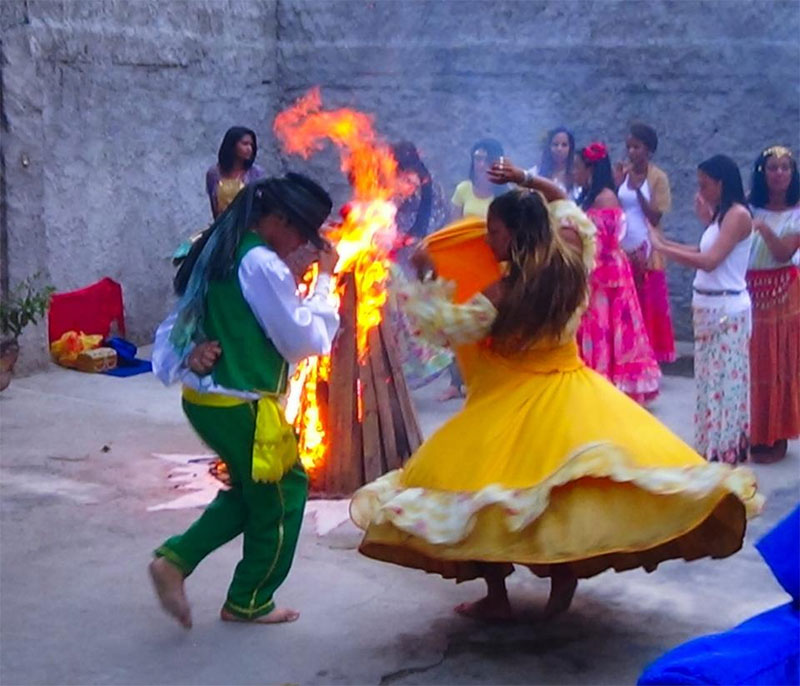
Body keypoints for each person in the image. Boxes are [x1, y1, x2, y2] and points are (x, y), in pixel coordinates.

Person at [351, 180, 761, 622]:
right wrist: (533, 184)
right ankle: (562, 578)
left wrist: (426, 273)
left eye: (493, 231)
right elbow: (570, 213)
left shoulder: (505, 290)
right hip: (571, 389)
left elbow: (445, 328)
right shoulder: (572, 263)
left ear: (513, 234)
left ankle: (497, 594)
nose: (488, 240)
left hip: (512, 401)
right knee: (556, 497)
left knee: (482, 496)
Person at [150, 173, 340, 628]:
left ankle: (176, 561)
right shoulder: (261, 263)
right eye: (298, 232)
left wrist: (191, 353)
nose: (299, 245)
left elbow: (191, 313)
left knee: (254, 492)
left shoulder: (223, 245)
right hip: (241, 402)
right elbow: (302, 340)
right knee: (285, 492)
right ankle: (249, 598)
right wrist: (324, 282)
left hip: (208, 397)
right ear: (276, 219)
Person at [649, 155, 754, 464]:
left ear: (720, 183)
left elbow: (710, 261)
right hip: (708, 307)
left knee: (726, 384)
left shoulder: (737, 215)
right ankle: (711, 448)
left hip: (727, 310)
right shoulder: (721, 216)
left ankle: (726, 451)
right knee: (709, 383)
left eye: (704, 184)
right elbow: (701, 250)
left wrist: (664, 249)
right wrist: (665, 242)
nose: (700, 190)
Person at [559, 142, 660, 402]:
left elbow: (603, 241)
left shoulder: (605, 198)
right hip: (595, 272)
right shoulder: (590, 195)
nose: (575, 172)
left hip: (605, 276)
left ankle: (604, 384)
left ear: (591, 169)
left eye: (578, 167)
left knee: (603, 326)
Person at [746, 145, 800, 462]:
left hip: (782, 295)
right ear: (762, 173)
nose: (779, 173)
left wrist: (764, 228)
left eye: (785, 168)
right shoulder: (748, 208)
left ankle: (776, 433)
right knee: (752, 365)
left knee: (776, 364)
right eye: (772, 168)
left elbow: (782, 253)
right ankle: (754, 431)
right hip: (750, 291)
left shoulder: (797, 212)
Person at [389, 141, 453, 389]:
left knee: (414, 317)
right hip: (395, 258)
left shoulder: (427, 186)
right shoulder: (391, 184)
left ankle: (424, 368)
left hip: (416, 258)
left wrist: (409, 242)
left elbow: (435, 221)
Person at [615, 123, 677, 362]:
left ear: (648, 150)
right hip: (624, 246)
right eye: (629, 147)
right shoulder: (623, 174)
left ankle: (650, 357)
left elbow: (655, 215)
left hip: (649, 249)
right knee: (626, 306)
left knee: (648, 305)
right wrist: (619, 181)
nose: (631, 152)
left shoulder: (658, 177)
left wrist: (638, 188)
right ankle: (628, 356)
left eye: (637, 147)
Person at [206, 126, 266, 218]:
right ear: (232, 145)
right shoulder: (214, 173)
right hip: (223, 226)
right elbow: (214, 206)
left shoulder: (256, 173)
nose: (249, 148)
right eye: (245, 144)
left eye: (251, 145)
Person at [525, 126, 579, 199]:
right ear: (549, 147)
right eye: (555, 144)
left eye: (564, 145)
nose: (559, 149)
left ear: (570, 148)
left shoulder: (577, 175)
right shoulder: (536, 172)